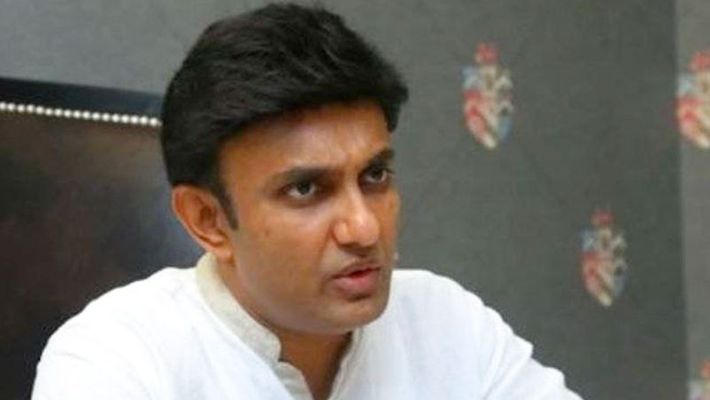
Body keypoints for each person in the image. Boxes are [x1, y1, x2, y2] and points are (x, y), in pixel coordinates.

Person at [32, 3, 582, 399]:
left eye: (375, 176)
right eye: (305, 189)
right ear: (208, 221)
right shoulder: (118, 358)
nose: (364, 229)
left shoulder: (447, 322)